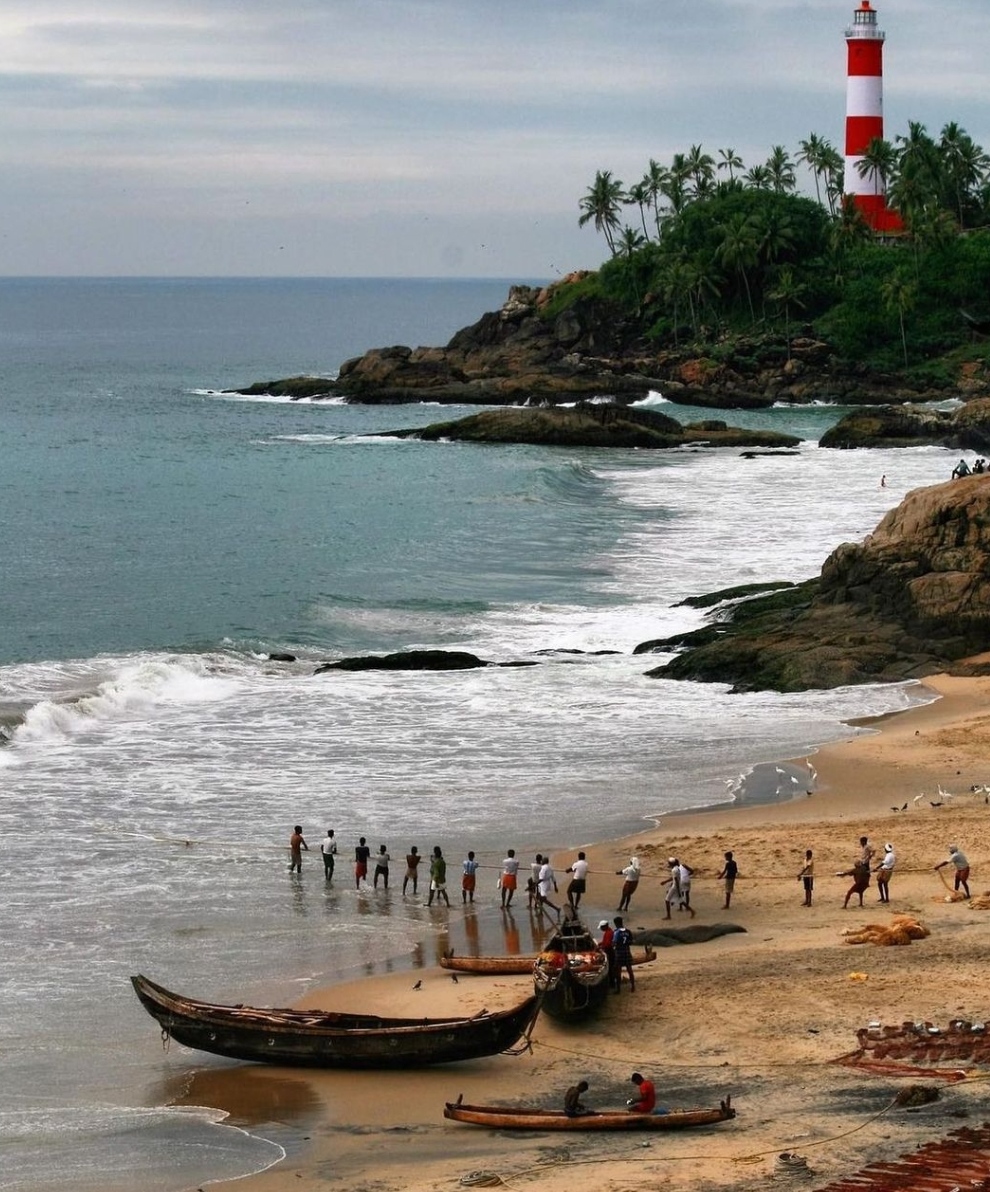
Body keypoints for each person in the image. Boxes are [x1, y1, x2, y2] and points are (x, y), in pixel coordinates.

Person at [612, 916, 635, 993]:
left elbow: (614, 943)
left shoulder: (616, 932)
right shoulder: (628, 931)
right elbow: (631, 942)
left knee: (618, 970)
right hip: (627, 951)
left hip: (619, 952)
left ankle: (618, 989)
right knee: (630, 970)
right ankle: (633, 986)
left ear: (615, 923)